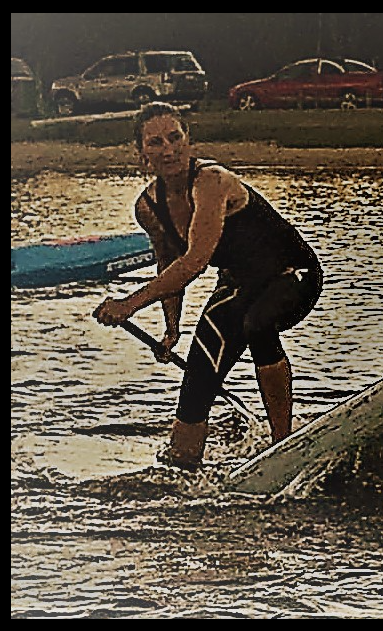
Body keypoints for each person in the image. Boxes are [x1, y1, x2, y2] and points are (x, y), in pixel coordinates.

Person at [93, 102, 323, 469]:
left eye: (174, 138)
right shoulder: (149, 208)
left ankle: (284, 446)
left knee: (258, 324)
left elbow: (196, 260)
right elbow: (168, 263)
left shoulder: (211, 182)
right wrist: (172, 329)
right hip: (238, 286)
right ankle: (181, 476)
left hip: (292, 275)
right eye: (155, 143)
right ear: (142, 156)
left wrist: (128, 304)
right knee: (197, 384)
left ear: (189, 141)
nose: (167, 149)